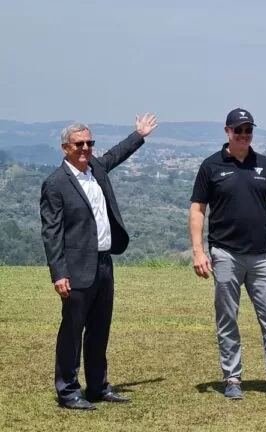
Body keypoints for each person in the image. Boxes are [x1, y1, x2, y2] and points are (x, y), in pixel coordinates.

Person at [40, 114, 159, 410]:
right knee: (72, 330)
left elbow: (116, 154)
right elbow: (51, 233)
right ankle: (68, 391)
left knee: (99, 329)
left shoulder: (97, 168)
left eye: (89, 143)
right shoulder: (55, 184)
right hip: (76, 268)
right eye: (79, 144)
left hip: (105, 264)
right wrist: (59, 273)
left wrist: (139, 135)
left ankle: (97, 386)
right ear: (65, 147)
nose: (86, 148)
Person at [188, 107, 266, 400]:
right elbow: (197, 209)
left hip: (262, 256)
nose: (243, 135)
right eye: (238, 130)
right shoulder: (211, 166)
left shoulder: (264, 165)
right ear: (227, 131)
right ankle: (232, 378)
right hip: (225, 254)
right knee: (227, 318)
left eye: (248, 130)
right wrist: (198, 251)